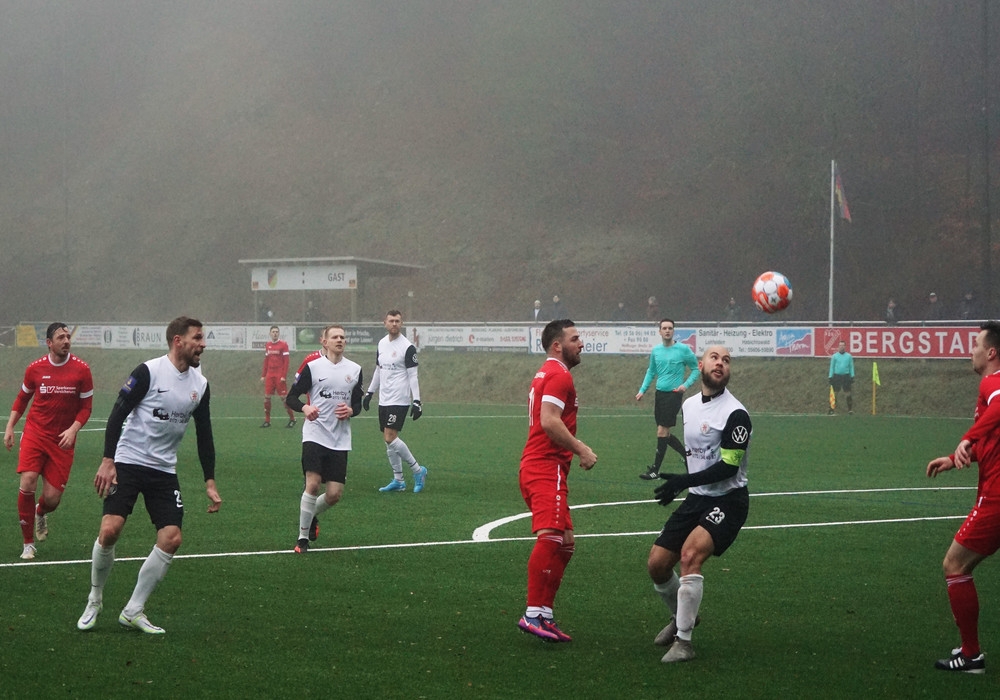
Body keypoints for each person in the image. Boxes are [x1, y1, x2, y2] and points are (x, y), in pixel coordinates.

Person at [76, 317, 221, 634]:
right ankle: (95, 599)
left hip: (163, 470)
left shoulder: (200, 385)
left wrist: (209, 480)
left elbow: (205, 434)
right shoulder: (148, 372)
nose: (203, 344)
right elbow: (117, 414)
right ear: (178, 340)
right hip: (128, 462)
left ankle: (134, 609)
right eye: (198, 338)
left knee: (172, 538)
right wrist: (108, 460)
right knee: (110, 530)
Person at [647, 345, 751, 663]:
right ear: (701, 365)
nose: (720, 364)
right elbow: (695, 453)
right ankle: (682, 615)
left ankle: (684, 642)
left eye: (726, 360)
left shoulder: (736, 414)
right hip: (697, 497)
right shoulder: (689, 406)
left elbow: (729, 466)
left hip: (729, 500)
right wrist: (684, 481)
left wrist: (683, 480)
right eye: (714, 358)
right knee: (657, 564)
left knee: (690, 556)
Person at [925, 320, 1000, 673]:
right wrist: (953, 459)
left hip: (997, 497)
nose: (970, 352)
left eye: (976, 346)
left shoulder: (993, 382)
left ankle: (971, 655)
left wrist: (967, 438)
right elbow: (991, 443)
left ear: (991, 352)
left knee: (955, 565)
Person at [517, 319, 598, 642]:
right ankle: (532, 613)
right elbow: (549, 421)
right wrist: (581, 449)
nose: (581, 344)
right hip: (544, 465)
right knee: (551, 536)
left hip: (546, 466)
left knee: (565, 543)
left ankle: (544, 613)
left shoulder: (547, 372)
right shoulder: (559, 375)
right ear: (557, 345)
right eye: (575, 339)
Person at [4, 323, 94, 560]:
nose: (66, 341)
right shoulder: (35, 368)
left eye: (68, 336)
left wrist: (73, 429)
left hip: (62, 441)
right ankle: (28, 544)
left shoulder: (82, 370)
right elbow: (22, 398)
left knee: (52, 499)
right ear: (49, 343)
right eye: (60, 337)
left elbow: (86, 408)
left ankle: (40, 511)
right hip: (35, 434)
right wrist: (10, 426)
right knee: (28, 481)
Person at [285, 325, 363, 553]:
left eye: (342, 337)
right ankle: (302, 539)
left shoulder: (355, 370)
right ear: (324, 342)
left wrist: (351, 411)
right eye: (335, 337)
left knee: (334, 494)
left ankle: (309, 516)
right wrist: (305, 407)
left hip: (340, 438)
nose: (339, 340)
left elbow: (357, 404)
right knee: (312, 484)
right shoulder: (313, 367)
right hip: (315, 433)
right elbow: (291, 397)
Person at [363, 310, 427, 493]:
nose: (394, 324)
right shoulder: (381, 343)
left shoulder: (407, 347)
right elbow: (379, 370)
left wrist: (417, 401)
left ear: (401, 323)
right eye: (391, 321)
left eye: (397, 321)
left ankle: (418, 470)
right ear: (385, 323)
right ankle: (398, 480)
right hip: (384, 398)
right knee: (389, 440)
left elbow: (413, 376)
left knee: (390, 437)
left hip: (399, 399)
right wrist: (369, 392)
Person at [636, 319, 699, 480]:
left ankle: (655, 470)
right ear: (660, 331)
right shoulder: (656, 351)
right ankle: (689, 458)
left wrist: (685, 385)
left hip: (674, 395)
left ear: (673, 331)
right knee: (664, 433)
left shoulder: (683, 349)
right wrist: (642, 390)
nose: (667, 330)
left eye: (670, 328)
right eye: (664, 328)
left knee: (662, 431)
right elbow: (651, 371)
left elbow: (696, 369)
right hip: (660, 394)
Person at [260, 325, 296, 428]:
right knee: (267, 397)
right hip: (270, 375)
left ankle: (292, 419)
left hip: (279, 374)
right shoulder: (268, 345)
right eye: (273, 332)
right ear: (270, 333)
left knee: (284, 398)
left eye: (276, 332)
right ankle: (267, 421)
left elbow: (286, 361)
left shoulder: (283, 345)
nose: (275, 333)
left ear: (279, 333)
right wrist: (263, 375)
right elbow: (266, 361)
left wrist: (283, 376)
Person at [828, 340, 855, 415]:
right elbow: (832, 367)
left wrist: (852, 376)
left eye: (843, 345)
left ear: (845, 346)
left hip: (846, 376)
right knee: (835, 393)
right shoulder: (834, 356)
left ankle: (850, 410)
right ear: (838, 347)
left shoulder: (849, 356)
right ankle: (831, 409)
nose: (841, 347)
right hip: (837, 376)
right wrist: (830, 376)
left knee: (848, 393)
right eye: (840, 345)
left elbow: (851, 366)